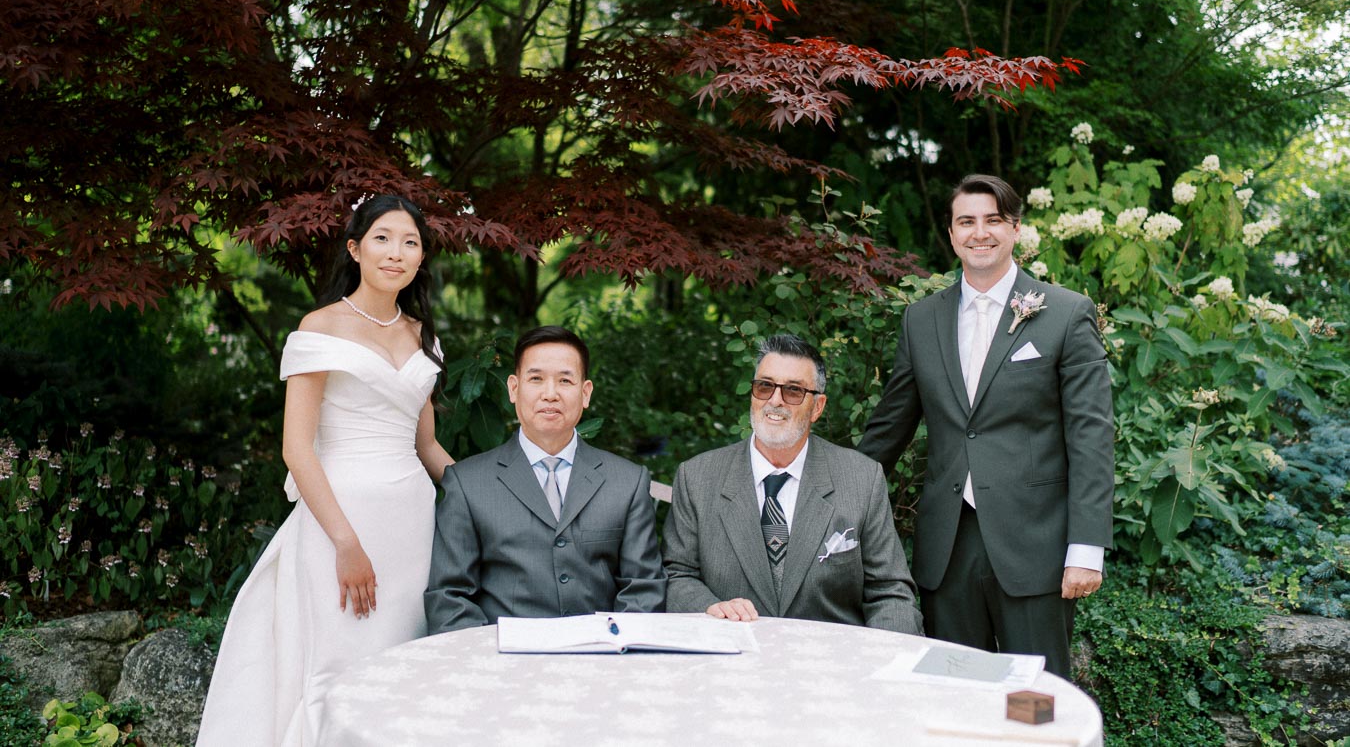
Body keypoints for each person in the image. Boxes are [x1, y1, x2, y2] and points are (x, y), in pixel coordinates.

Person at [198, 195, 455, 746]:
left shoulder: (422, 336)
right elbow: (297, 449)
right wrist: (345, 542)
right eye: (383, 238)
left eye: (410, 242)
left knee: (401, 656)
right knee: (342, 658)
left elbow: (428, 446)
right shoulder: (321, 327)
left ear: (420, 259)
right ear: (355, 248)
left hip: (412, 523)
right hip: (341, 519)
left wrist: (489, 497)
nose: (397, 252)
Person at [856, 174, 1114, 678]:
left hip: (1036, 547)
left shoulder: (1064, 314)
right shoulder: (920, 320)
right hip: (946, 548)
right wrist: (827, 500)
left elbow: (1091, 436)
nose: (980, 233)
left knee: (1036, 702)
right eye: (966, 222)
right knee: (953, 698)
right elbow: (888, 429)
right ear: (951, 235)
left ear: (1015, 229)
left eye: (993, 220)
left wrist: (1086, 547)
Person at [663, 333, 923, 633]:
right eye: (765, 386)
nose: (775, 400)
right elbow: (676, 576)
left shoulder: (861, 479)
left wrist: (882, 662)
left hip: (832, 667)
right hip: (733, 662)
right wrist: (709, 607)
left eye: (793, 391)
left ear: (817, 407)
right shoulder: (697, 478)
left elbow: (890, 593)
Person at [424, 325, 665, 633]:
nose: (550, 394)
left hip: (600, 662)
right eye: (536, 379)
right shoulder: (468, 483)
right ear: (513, 388)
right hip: (504, 664)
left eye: (565, 380)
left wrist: (613, 653)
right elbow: (449, 597)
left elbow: (643, 589)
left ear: (585, 392)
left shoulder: (627, 482)